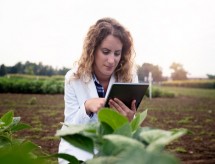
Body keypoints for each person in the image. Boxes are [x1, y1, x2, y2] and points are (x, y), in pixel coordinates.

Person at [58, 17, 138, 163]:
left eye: (117, 53)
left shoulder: (129, 78)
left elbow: (130, 128)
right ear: (93, 49)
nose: (111, 60)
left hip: (113, 149)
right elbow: (70, 128)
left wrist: (129, 120)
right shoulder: (73, 78)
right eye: (106, 51)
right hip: (80, 149)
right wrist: (86, 107)